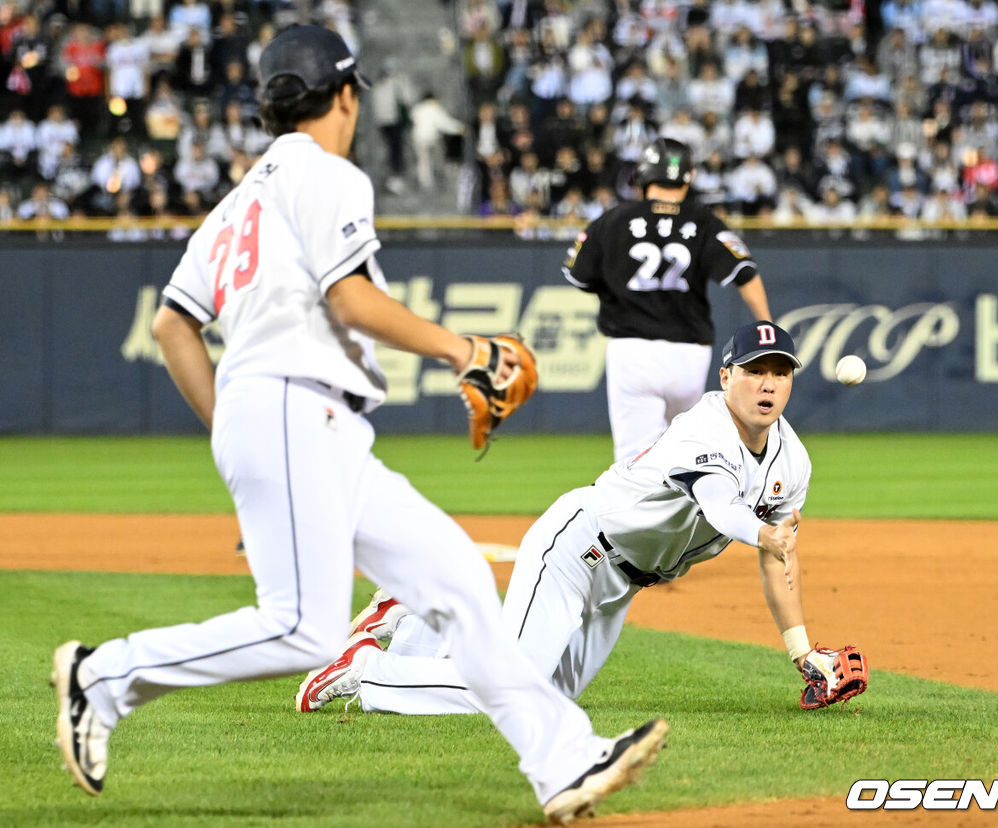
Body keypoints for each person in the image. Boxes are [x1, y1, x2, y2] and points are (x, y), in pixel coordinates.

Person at [51, 25, 666, 825]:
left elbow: (175, 326)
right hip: (290, 406)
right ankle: (102, 678)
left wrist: (234, 435)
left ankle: (563, 764)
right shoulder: (328, 175)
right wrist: (461, 348)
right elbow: (351, 300)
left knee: (456, 580)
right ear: (345, 95)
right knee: (305, 631)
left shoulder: (243, 199)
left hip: (297, 418)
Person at [299, 321, 822, 722]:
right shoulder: (704, 428)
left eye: (780, 371)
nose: (768, 383)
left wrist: (802, 654)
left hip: (625, 582)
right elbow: (717, 504)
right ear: (727, 376)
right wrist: (762, 531)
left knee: (552, 698)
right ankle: (363, 669)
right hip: (578, 546)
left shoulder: (791, 460)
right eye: (755, 370)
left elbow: (777, 557)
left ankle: (421, 623)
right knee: (512, 691)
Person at [563, 137, 772, 462]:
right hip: (688, 354)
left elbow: (578, 275)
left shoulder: (613, 220)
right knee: (688, 456)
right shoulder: (704, 221)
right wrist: (766, 326)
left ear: (643, 177)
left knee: (635, 463)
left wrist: (615, 287)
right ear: (688, 177)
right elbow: (744, 271)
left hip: (631, 351)